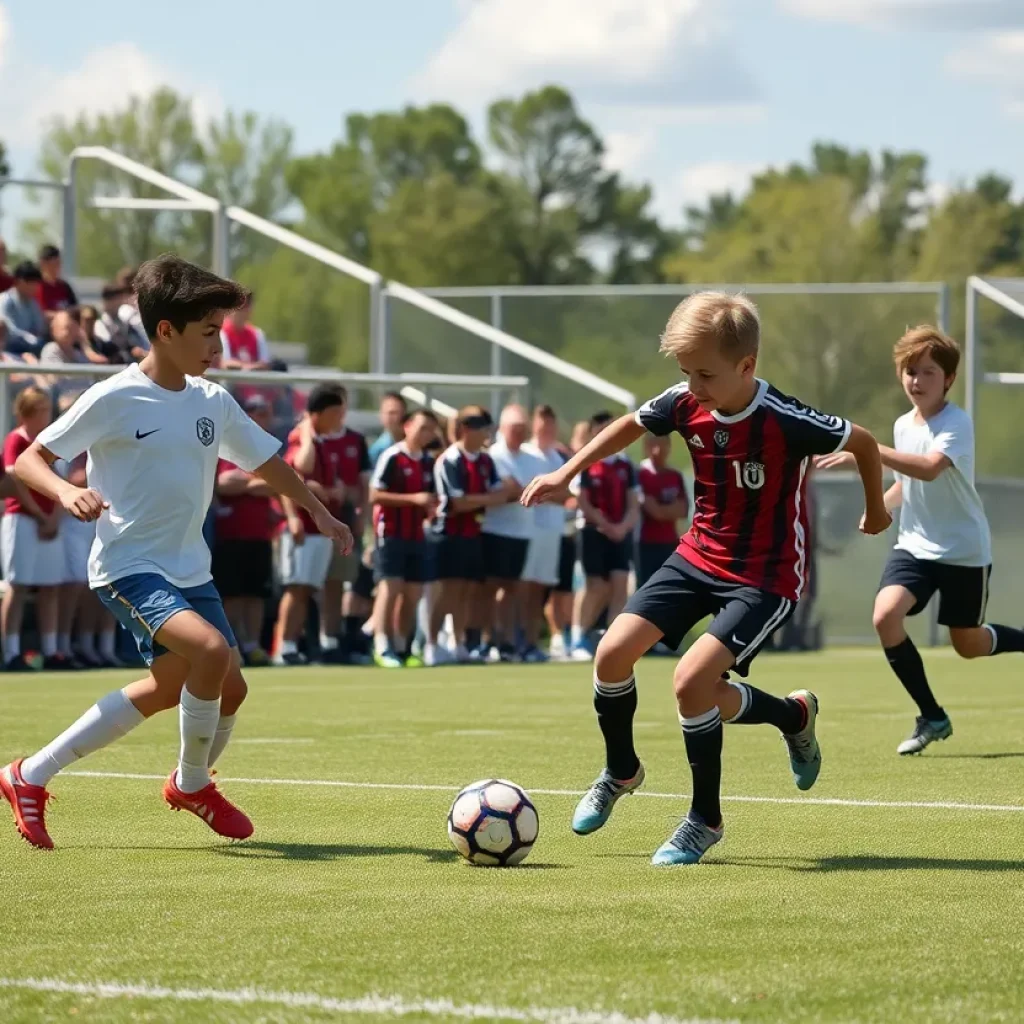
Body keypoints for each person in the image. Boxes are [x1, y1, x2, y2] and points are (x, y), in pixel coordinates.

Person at [522, 291, 889, 866]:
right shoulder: (684, 401)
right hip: (696, 555)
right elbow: (628, 424)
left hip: (765, 577)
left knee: (692, 684)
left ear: (748, 366)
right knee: (611, 654)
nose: (692, 387)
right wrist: (567, 472)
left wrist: (876, 509)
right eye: (685, 372)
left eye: (705, 374)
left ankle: (705, 820)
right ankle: (625, 769)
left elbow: (863, 442)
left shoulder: (784, 419)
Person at [0, 253, 352, 851]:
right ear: (166, 330)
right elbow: (27, 459)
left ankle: (27, 776)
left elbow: (269, 462)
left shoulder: (211, 401)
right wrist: (66, 491)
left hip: (191, 571)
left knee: (205, 688)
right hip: (128, 568)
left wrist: (318, 511)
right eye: (209, 332)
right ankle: (192, 784)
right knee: (210, 653)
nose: (219, 346)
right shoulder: (114, 397)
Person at [816, 326, 1024, 755]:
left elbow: (929, 468)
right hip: (915, 546)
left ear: (947, 379)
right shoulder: (902, 424)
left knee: (966, 644)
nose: (917, 380)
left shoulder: (957, 423)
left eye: (928, 372)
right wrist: (884, 507)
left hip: (964, 550)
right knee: (885, 616)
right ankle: (932, 716)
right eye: (910, 371)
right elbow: (908, 483)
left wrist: (868, 449)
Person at [429, 406, 517, 665]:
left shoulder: (485, 460)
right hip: (449, 533)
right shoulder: (450, 459)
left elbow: (501, 494)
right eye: (482, 431)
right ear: (466, 430)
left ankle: (458, 643)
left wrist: (481, 499)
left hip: (473, 533)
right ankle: (432, 644)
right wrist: (488, 499)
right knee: (448, 591)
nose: (486, 436)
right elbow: (457, 503)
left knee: (466, 591)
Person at [272, 385, 346, 666]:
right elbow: (296, 471)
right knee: (296, 587)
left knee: (307, 589)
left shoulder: (326, 441)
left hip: (319, 529)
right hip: (303, 526)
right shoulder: (302, 439)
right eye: (335, 412)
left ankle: (292, 645)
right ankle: (283, 646)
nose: (340, 418)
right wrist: (306, 432)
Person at [1, 387, 66, 672]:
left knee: (51, 587)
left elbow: (58, 481)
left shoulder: (48, 442)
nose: (45, 415)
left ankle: (51, 651)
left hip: (49, 521)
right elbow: (16, 480)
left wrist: (53, 518)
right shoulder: (16, 439)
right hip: (23, 520)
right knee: (18, 586)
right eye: (40, 409)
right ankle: (11, 652)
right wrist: (41, 515)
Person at [212, 394, 279, 667]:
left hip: (259, 534)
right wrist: (255, 482)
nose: (258, 418)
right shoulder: (225, 446)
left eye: (263, 413)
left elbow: (275, 484)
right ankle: (234, 645)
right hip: (230, 533)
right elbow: (221, 484)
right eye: (253, 412)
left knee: (256, 594)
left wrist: (245, 484)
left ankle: (253, 645)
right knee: (233, 594)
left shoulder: (267, 450)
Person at [369, 409, 439, 668]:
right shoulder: (393, 456)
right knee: (391, 588)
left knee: (413, 592)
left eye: (431, 429)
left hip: (416, 534)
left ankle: (402, 646)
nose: (427, 434)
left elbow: (429, 497)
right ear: (407, 426)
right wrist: (413, 499)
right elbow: (375, 494)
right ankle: (381, 644)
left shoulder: (428, 462)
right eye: (422, 427)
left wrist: (431, 507)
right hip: (391, 533)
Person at [569, 411, 641, 660]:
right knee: (596, 586)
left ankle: (610, 641)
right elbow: (583, 502)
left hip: (620, 533)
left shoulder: (624, 465)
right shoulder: (588, 462)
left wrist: (622, 527)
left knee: (621, 583)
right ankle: (578, 637)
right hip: (593, 531)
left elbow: (633, 504)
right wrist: (607, 525)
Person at [312, 387, 371, 663]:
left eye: (343, 407)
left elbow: (363, 484)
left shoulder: (356, 440)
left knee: (338, 581)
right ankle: (308, 640)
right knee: (307, 586)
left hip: (344, 520)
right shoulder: (311, 439)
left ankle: (332, 639)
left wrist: (361, 514)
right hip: (312, 521)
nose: (341, 414)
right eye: (336, 408)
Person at [480, 404, 540, 661]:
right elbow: (504, 491)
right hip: (495, 530)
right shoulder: (493, 455)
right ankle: (486, 639)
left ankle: (506, 640)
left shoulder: (531, 457)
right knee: (490, 587)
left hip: (521, 533)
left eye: (522, 428)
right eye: (514, 428)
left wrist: (517, 489)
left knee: (513, 588)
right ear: (503, 429)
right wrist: (517, 490)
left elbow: (526, 489)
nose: (519, 432)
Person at [521, 405, 572, 662]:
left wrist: (549, 493)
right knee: (524, 588)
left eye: (551, 424)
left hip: (552, 532)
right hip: (528, 532)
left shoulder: (557, 456)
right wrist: (551, 494)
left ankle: (531, 642)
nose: (547, 428)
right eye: (542, 423)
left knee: (541, 590)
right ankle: (517, 640)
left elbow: (567, 494)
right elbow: (528, 493)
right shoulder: (526, 453)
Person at [636, 433, 689, 591]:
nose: (658, 450)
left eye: (663, 445)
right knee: (646, 589)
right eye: (654, 445)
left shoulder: (675, 475)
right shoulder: (639, 474)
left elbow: (684, 509)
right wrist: (669, 509)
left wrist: (662, 509)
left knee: (669, 589)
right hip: (645, 543)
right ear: (646, 447)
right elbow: (654, 511)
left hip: (670, 542)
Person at [0, 262, 46, 359]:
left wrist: (34, 338)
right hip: (9, 350)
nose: (35, 287)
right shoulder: (5, 300)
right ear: (19, 282)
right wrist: (29, 337)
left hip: (31, 348)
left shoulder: (33, 303)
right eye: (32, 283)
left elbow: (39, 327)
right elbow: (10, 330)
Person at [35, 244, 78, 324]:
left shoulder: (65, 287)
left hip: (67, 327)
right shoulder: (35, 288)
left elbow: (75, 308)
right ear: (43, 264)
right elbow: (38, 314)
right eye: (54, 264)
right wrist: (61, 316)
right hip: (45, 330)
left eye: (59, 263)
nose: (57, 267)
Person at [368, 391, 408, 468]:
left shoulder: (417, 445)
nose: (397, 418)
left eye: (398, 413)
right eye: (391, 413)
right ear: (381, 415)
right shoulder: (378, 450)